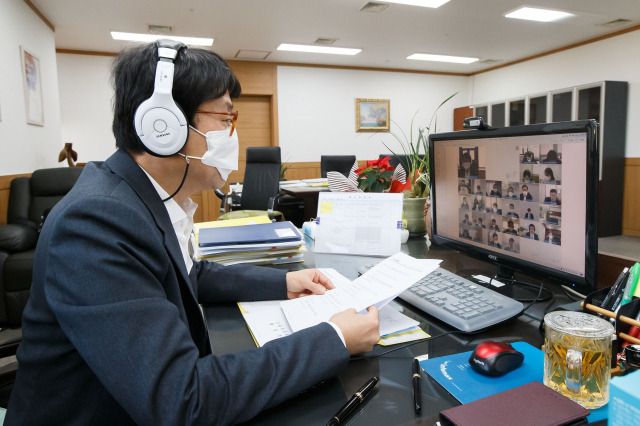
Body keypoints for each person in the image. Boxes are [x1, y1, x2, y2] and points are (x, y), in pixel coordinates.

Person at [6, 41, 380, 425]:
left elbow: (187, 274)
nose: (232, 135)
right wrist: (333, 338)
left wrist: (283, 281)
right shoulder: (96, 222)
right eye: (225, 119)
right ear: (162, 126)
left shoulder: (137, 196)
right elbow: (182, 400)